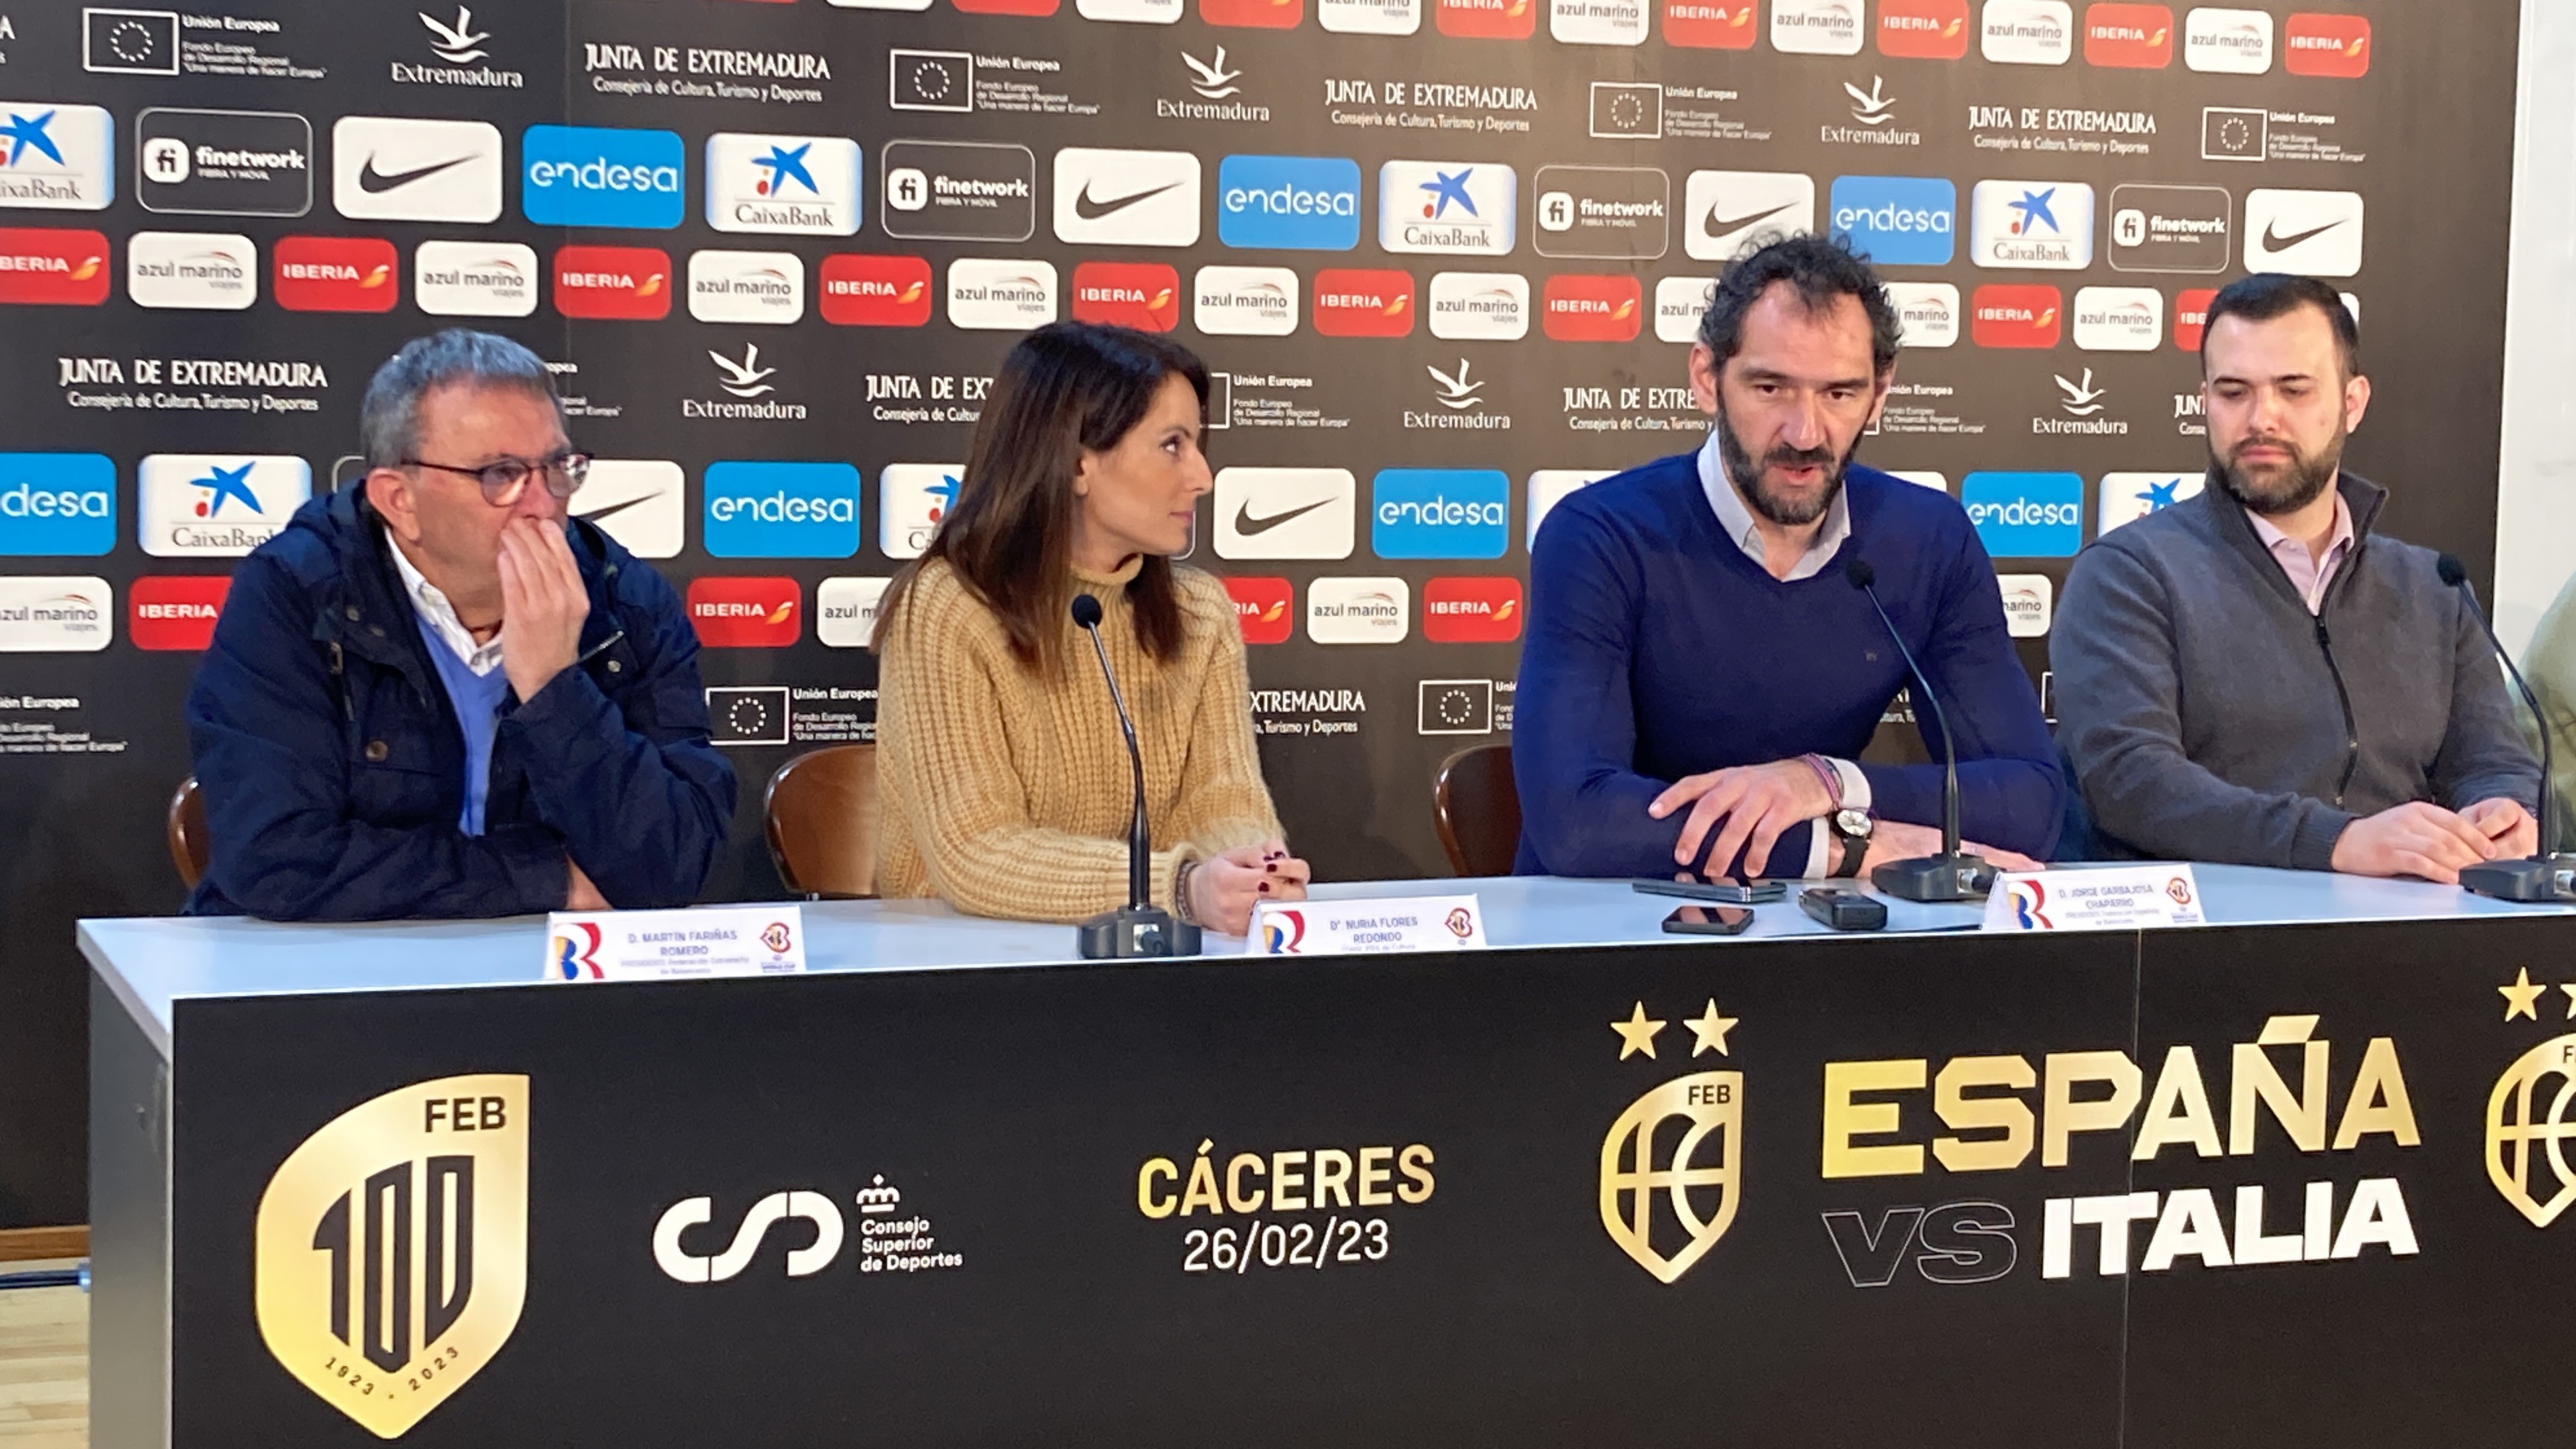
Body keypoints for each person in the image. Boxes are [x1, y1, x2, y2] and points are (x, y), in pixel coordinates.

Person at [1514, 233, 2061, 881]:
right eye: (1770, 388)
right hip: (1612, 933)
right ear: (1706, 379)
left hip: (1826, 940)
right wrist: (1847, 849)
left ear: (1880, 395)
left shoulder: (1928, 539)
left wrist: (1827, 783)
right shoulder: (1600, 536)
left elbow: (2032, 802)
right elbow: (1579, 825)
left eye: (1839, 394)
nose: (1805, 434)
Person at [184, 329, 734, 919]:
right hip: (327, 976)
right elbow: (277, 858)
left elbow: (673, 864)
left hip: (548, 986)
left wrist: (555, 687)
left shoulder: (627, 603)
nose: (544, 504)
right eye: (501, 474)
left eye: (557, 467)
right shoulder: (296, 591)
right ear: (399, 501)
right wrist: (545, 879)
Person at [2053, 273, 2540, 881]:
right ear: (2205, 400)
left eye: (2294, 390)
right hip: (2198, 943)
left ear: (2353, 403)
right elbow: (2130, 783)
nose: (2263, 418)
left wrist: (2510, 811)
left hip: (2413, 935)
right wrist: (2338, 842)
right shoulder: (2129, 574)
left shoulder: (2433, 586)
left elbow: (2495, 762)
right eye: (2234, 392)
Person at [870, 322, 1309, 934]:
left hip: (1153, 971)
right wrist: (1179, 888)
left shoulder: (1202, 612)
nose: (1203, 477)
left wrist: (1247, 873)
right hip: (973, 974)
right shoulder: (947, 607)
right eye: (1172, 445)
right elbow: (976, 852)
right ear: (1078, 463)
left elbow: (1225, 800)